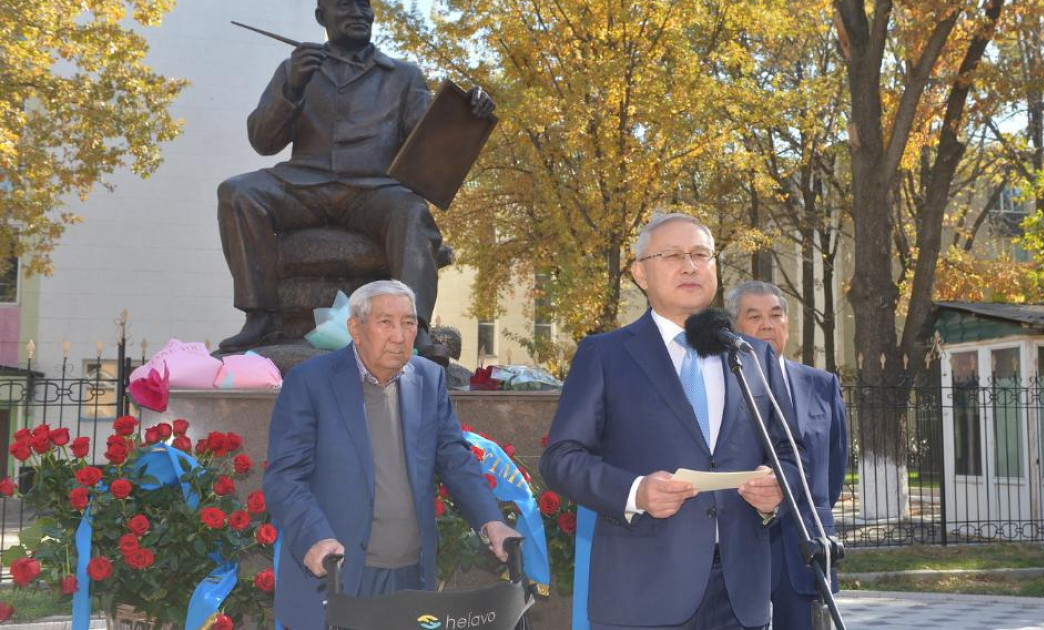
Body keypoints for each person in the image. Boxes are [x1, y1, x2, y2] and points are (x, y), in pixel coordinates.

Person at [540, 213, 796, 630]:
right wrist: (636, 491)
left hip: (741, 595)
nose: (690, 266)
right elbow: (561, 458)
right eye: (673, 255)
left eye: (700, 254)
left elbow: (791, 451)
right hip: (643, 593)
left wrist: (777, 490)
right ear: (641, 273)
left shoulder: (752, 355)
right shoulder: (605, 355)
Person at [217, 0, 495, 358]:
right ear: (322, 17)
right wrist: (292, 88)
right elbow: (263, 140)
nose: (358, 13)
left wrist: (468, 111)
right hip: (304, 184)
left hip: (374, 189)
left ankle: (415, 329)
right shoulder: (295, 68)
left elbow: (428, 135)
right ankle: (263, 317)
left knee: (412, 211)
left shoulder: (402, 75)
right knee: (237, 193)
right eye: (345, 6)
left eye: (364, 6)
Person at [264, 279, 519, 630]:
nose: (399, 335)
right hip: (337, 574)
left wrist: (492, 522)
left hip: (412, 577)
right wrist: (314, 538)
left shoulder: (429, 380)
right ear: (355, 327)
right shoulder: (311, 382)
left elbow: (454, 458)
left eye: (409, 323)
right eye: (386, 322)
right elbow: (285, 476)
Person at [727, 281, 848, 630]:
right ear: (735, 326)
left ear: (787, 324)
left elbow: (833, 468)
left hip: (804, 549)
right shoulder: (721, 384)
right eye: (754, 316)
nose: (767, 324)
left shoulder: (821, 385)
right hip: (738, 546)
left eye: (776, 315)